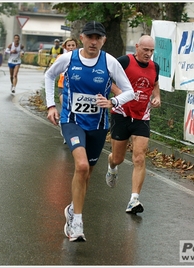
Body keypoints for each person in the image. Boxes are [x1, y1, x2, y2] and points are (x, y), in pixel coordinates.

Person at [45, 21, 135, 242]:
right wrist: (50, 106)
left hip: (98, 125)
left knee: (86, 175)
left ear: (103, 41)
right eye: (89, 37)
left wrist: (113, 101)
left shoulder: (110, 62)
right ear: (82, 38)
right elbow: (49, 76)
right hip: (71, 120)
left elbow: (130, 92)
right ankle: (77, 222)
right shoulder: (68, 58)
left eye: (98, 38)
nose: (93, 41)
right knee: (82, 165)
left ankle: (72, 209)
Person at [105, 35, 161, 214]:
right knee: (118, 158)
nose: (148, 54)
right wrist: (121, 93)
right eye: (145, 50)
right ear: (137, 47)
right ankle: (112, 166)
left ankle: (134, 200)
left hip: (142, 116)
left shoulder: (154, 67)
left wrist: (157, 97)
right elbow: (109, 78)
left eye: (151, 51)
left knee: (139, 157)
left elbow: (155, 84)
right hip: (121, 113)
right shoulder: (124, 61)